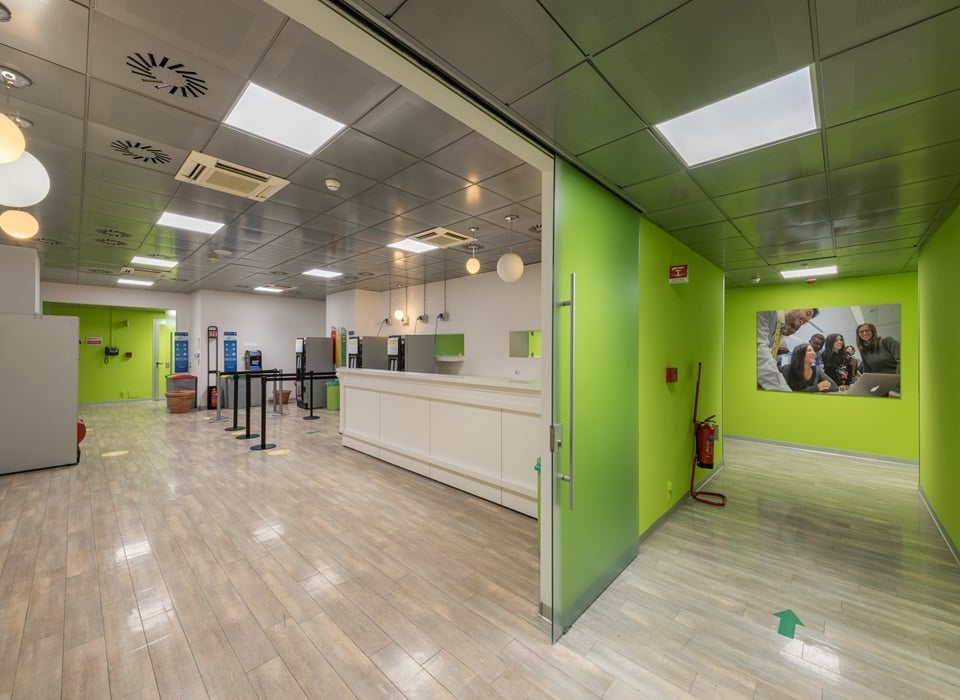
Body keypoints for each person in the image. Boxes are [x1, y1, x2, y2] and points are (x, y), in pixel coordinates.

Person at [757, 308, 818, 390]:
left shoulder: (780, 335)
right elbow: (760, 354)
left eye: (806, 322)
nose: (804, 322)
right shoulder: (769, 311)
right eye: (807, 313)